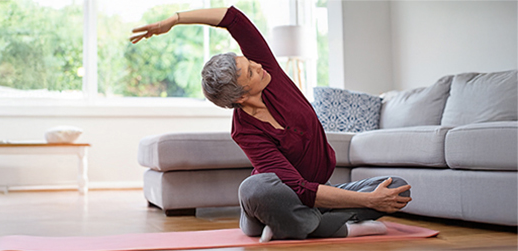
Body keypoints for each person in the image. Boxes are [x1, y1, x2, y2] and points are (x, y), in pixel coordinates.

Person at [131, 6, 412, 242]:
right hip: (280, 199)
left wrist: (176, 19)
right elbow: (298, 188)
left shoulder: (270, 74)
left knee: (397, 187)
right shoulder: (244, 131)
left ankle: (294, 226)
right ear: (240, 96)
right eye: (251, 71)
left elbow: (233, 18)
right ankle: (337, 228)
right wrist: (368, 203)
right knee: (254, 189)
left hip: (313, 195)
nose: (260, 66)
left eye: (251, 62)